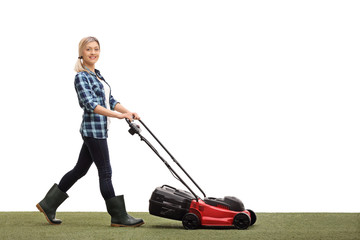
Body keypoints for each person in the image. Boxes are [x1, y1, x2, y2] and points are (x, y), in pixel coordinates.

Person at [36, 36, 144, 227]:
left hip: (99, 130)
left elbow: (110, 100)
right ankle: (118, 216)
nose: (93, 53)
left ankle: (48, 204)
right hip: (93, 131)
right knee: (105, 172)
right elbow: (90, 104)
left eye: (96, 49)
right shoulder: (81, 77)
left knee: (79, 170)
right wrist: (118, 116)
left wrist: (127, 112)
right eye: (88, 49)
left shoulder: (98, 75)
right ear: (81, 53)